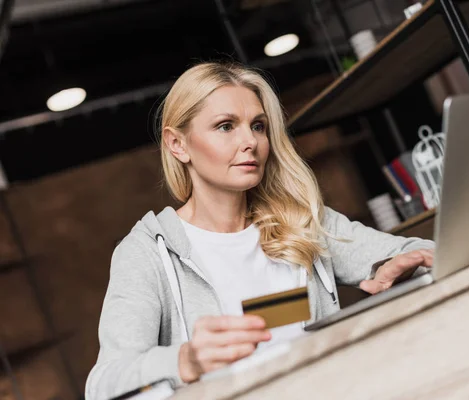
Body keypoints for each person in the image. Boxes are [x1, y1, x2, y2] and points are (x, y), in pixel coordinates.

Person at [85, 62, 434, 400]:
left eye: (258, 126)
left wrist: (401, 267)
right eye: (225, 126)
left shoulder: (301, 222)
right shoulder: (147, 253)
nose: (249, 141)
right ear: (178, 145)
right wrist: (184, 359)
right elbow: (104, 383)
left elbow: (424, 250)